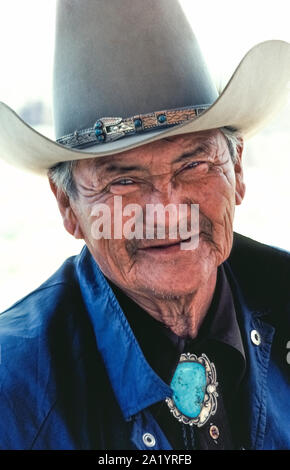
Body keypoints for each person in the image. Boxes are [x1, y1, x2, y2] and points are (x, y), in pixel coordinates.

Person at [0, 0, 289, 450]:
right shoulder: (12, 391)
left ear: (237, 172)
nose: (167, 210)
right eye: (125, 180)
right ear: (68, 207)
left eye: (194, 163)